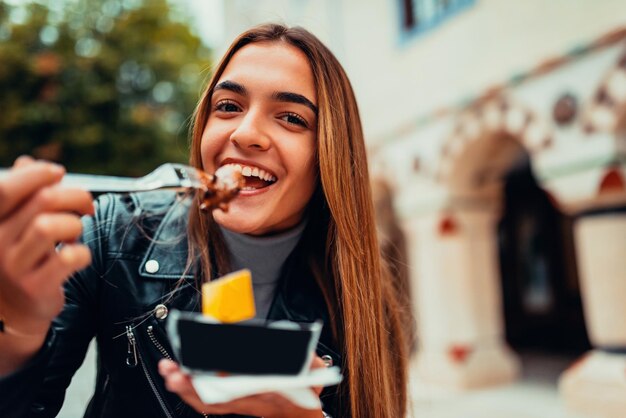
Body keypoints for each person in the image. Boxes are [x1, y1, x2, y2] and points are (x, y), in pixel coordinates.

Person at [0, 24, 408, 418]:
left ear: (330, 157)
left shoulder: (358, 298)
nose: (247, 133)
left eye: (291, 118)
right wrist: (19, 328)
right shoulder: (112, 235)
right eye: (228, 107)